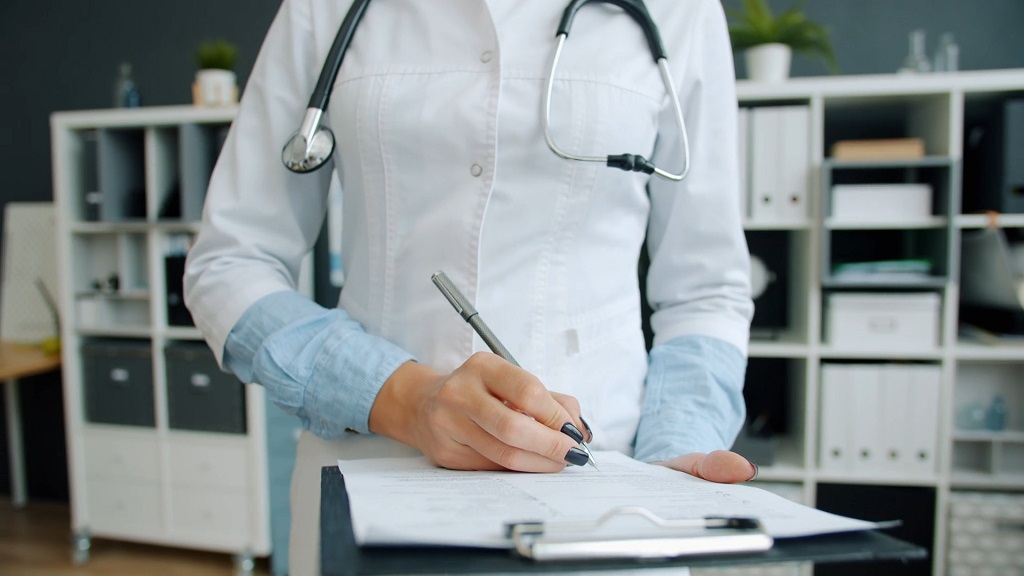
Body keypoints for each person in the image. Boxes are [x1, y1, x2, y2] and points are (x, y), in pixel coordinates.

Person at [184, 0, 755, 573]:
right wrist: (404, 398)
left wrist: (674, 457)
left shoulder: (681, 10)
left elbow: (705, 289)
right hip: (378, 478)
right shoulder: (321, 9)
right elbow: (230, 261)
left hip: (608, 496)